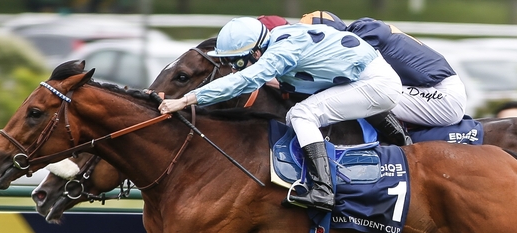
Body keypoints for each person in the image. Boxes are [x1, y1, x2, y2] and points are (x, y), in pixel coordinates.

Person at [159, 17, 403, 212]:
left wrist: (186, 100)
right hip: (369, 80)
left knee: (302, 116)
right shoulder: (278, 41)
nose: (234, 68)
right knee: (298, 113)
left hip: (376, 84)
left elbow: (244, 81)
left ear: (255, 52)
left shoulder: (281, 49)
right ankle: (401, 138)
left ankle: (323, 190)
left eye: (238, 62)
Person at [300, 11, 467, 144]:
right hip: (432, 88)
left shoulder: (359, 39)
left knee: (359, 94)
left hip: (444, 97)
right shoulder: (361, 31)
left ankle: (403, 143)